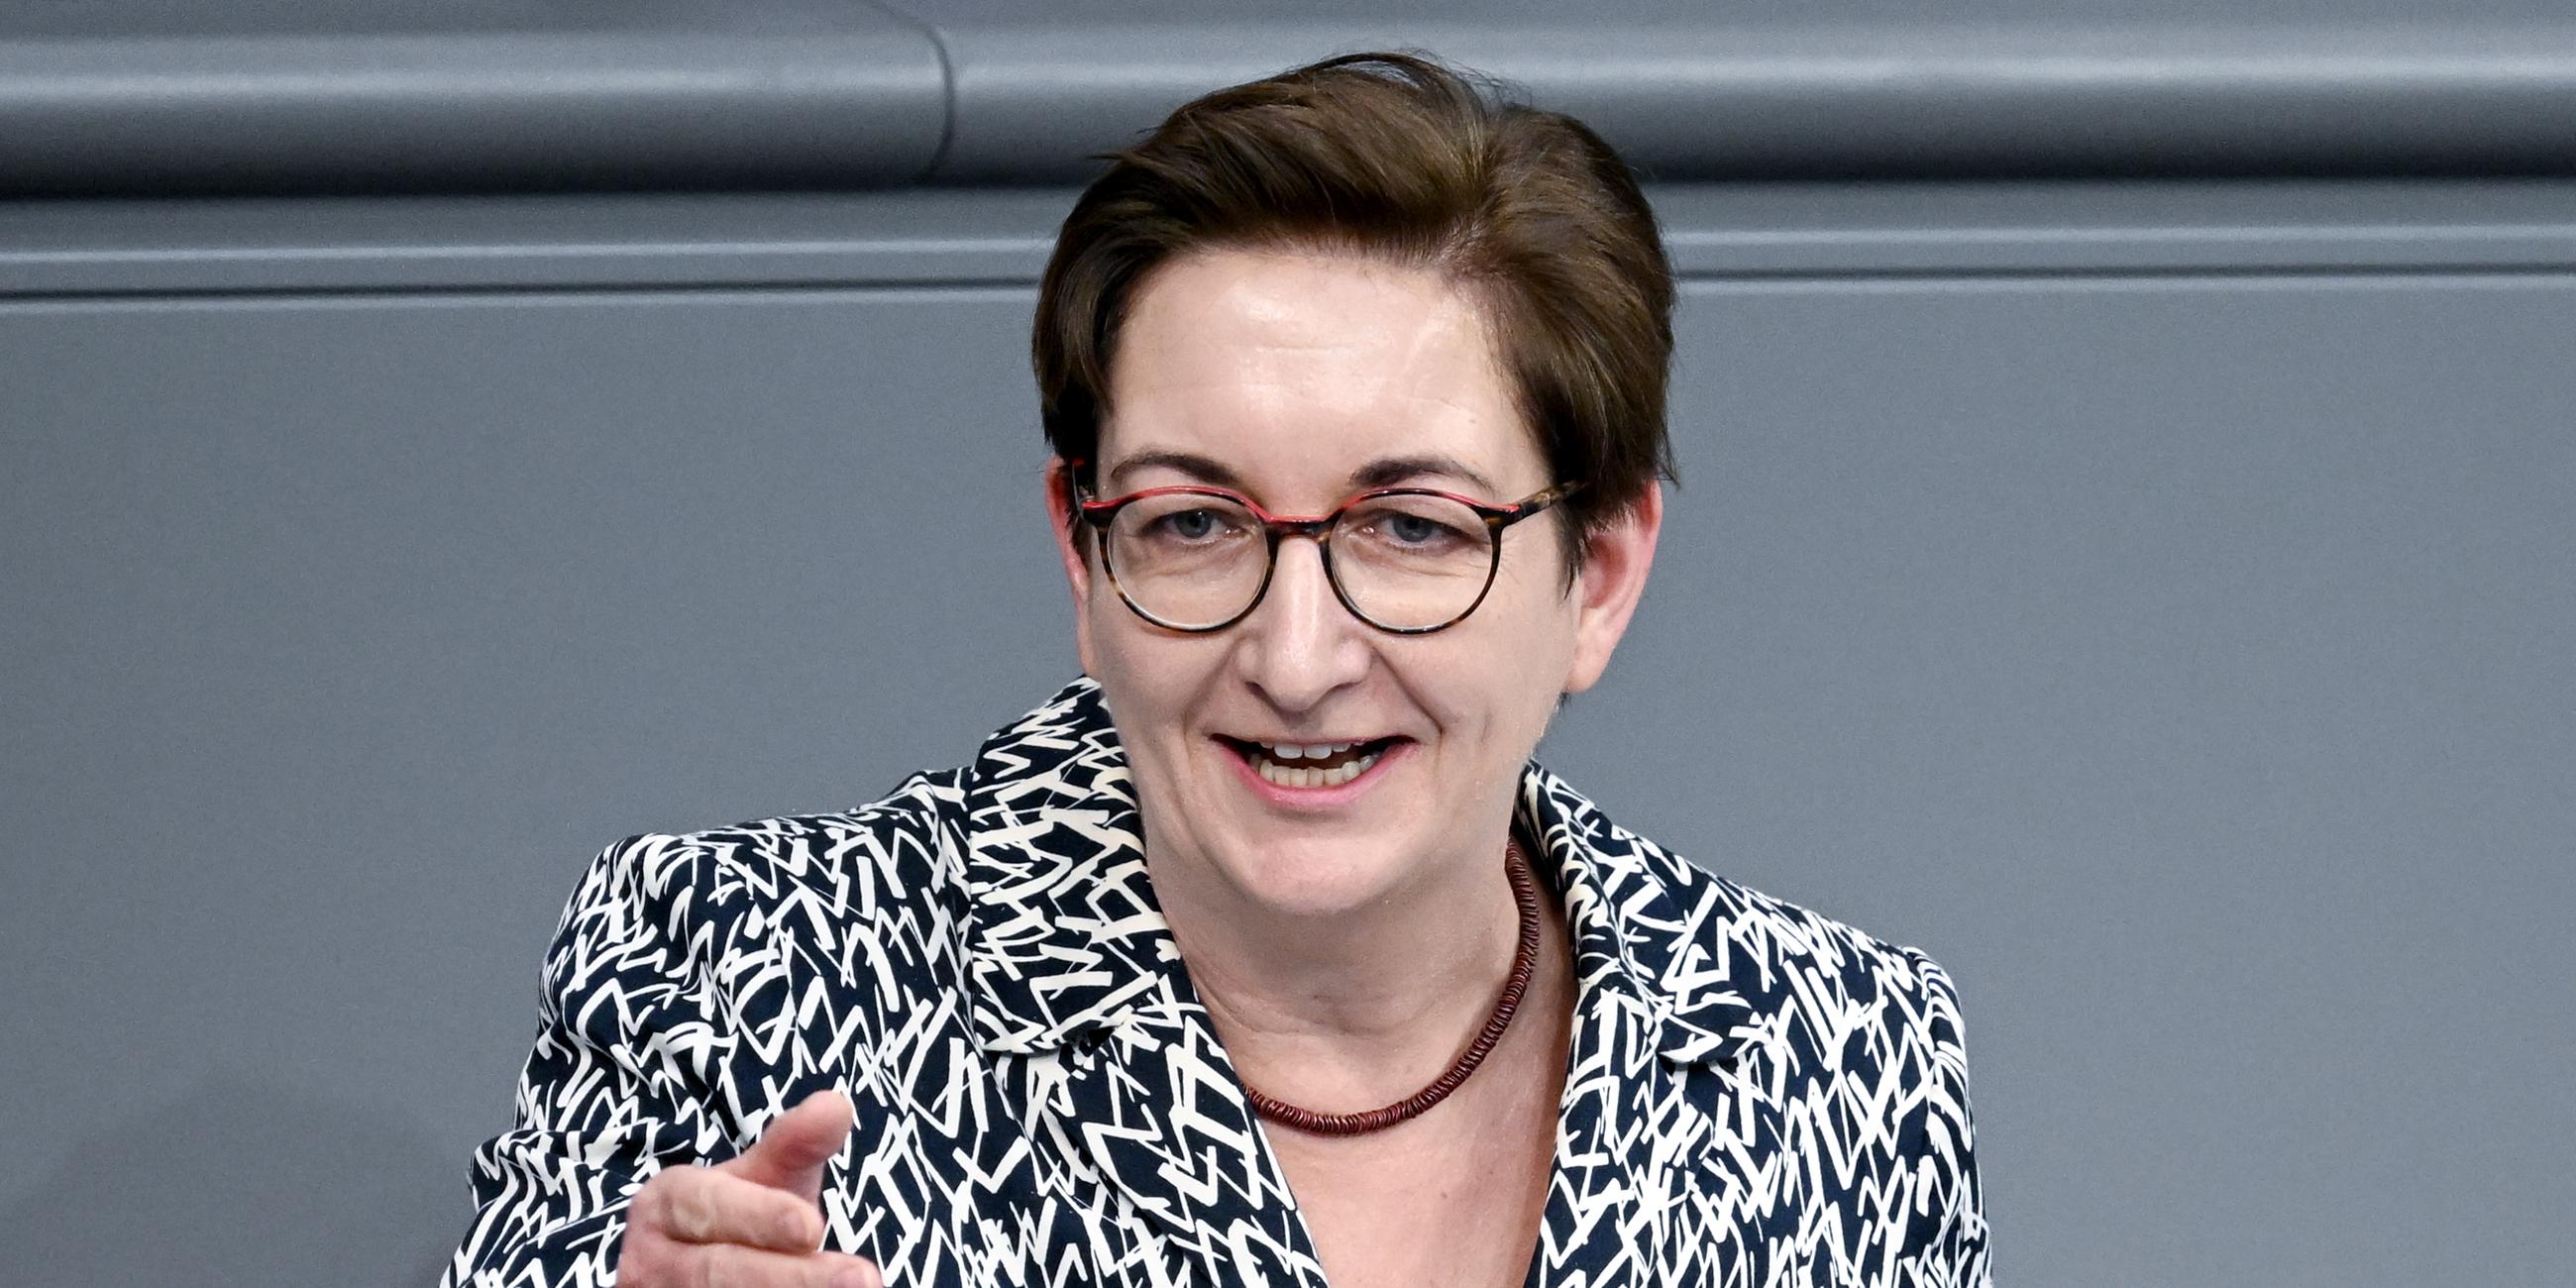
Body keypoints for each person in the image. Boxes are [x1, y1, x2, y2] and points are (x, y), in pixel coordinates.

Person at [442, 52, 1988, 1288]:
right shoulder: (734, 980)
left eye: (1410, 528)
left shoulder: (1838, 1054)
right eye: (1193, 523)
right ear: (1083, 554)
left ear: (1597, 575)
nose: (1296, 659)